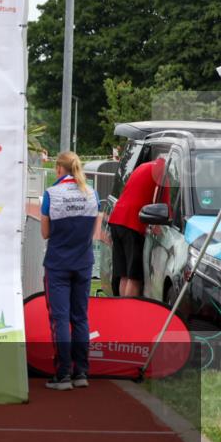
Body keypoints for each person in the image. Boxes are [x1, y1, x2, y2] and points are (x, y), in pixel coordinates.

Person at [40, 151, 100, 390]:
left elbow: (45, 232)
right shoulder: (91, 193)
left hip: (57, 264)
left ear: (58, 169)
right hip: (83, 262)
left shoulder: (51, 194)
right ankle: (81, 372)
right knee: (81, 317)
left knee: (61, 319)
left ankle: (63, 374)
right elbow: (92, 230)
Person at [107, 157, 167, 297]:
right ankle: (129, 313)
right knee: (134, 278)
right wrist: (158, 225)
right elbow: (164, 202)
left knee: (124, 275)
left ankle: (121, 311)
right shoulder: (162, 170)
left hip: (117, 219)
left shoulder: (142, 166)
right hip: (132, 224)